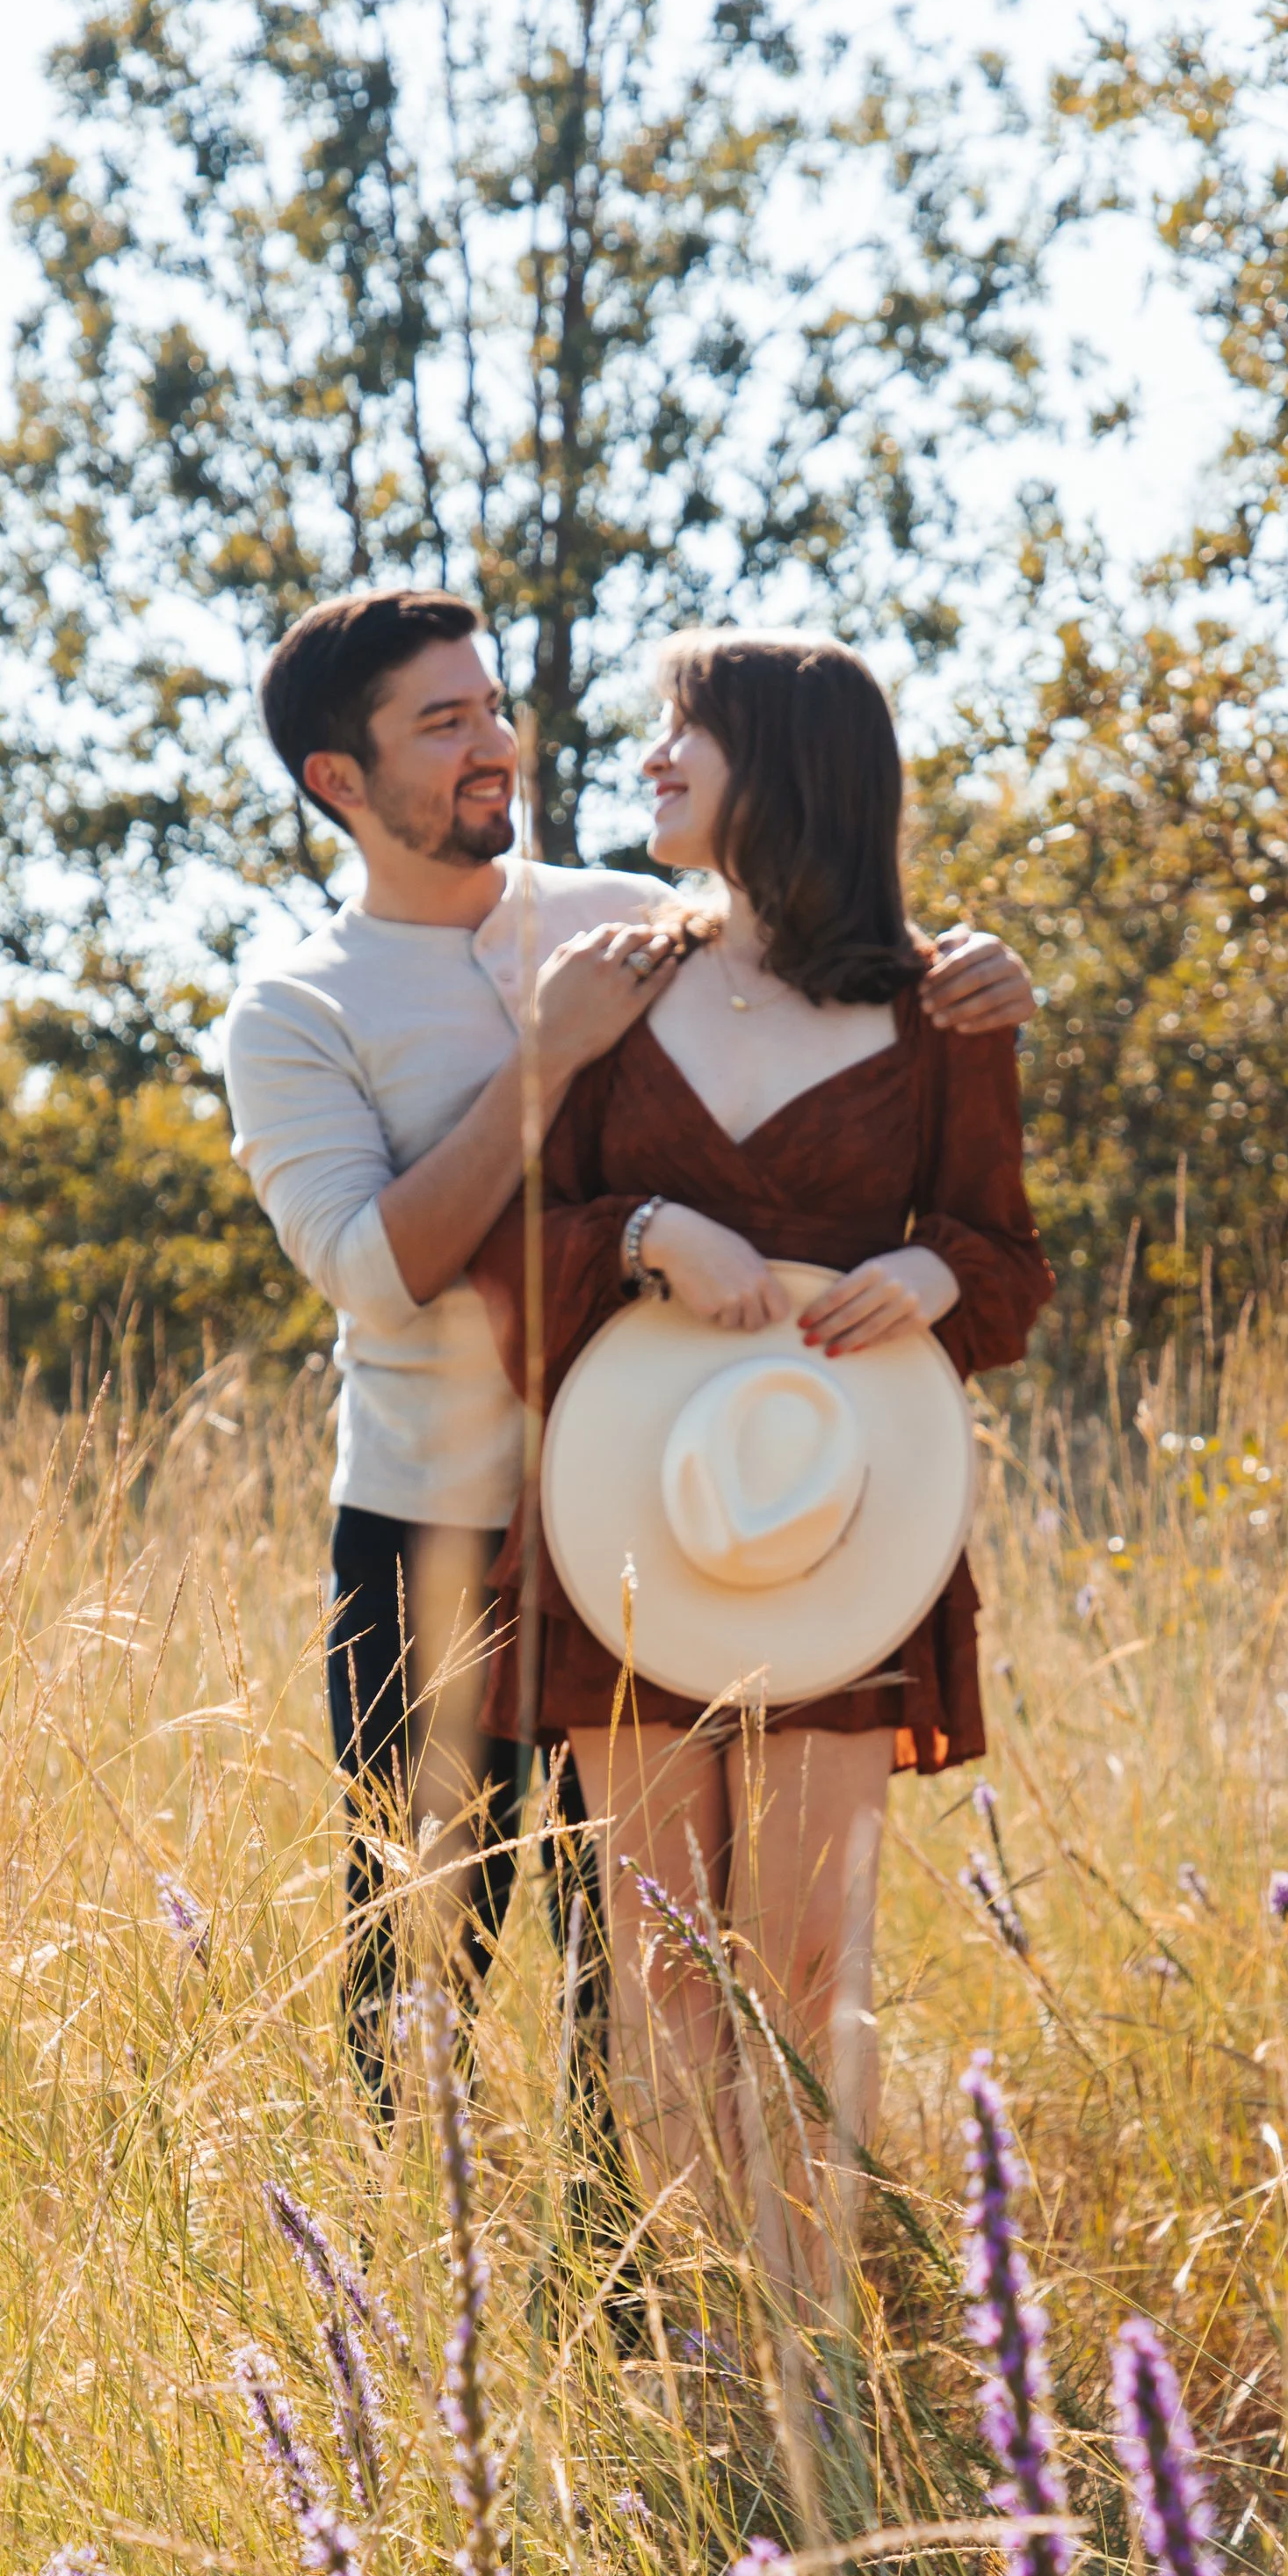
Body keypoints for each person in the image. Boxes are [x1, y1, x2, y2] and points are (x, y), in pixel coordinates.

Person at [221, 587, 1034, 2078]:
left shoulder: (625, 918)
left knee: (644, 1970)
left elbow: (834, 966)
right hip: (438, 1528)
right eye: (443, 722)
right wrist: (547, 1061)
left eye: (489, 707)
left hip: (682, 1509)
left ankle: (643, 2304)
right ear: (339, 779)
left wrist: (979, 971)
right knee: (422, 1940)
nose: (496, 744)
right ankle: (411, 2273)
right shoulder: (297, 1008)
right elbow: (372, 1269)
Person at [469, 629, 1053, 2321]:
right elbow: (510, 1249)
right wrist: (646, 1228)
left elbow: (1006, 1259)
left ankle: (807, 2337)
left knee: (803, 1954)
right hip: (627, 1515)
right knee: (656, 1956)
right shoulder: (622, 981)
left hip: (842, 1524)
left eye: (685, 733)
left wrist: (934, 1277)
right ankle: (710, 2363)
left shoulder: (944, 1005)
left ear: (783, 768)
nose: (652, 760)